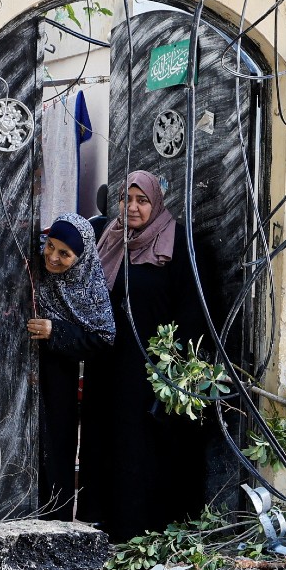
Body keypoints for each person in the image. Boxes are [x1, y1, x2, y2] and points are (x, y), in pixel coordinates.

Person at [82, 170, 218, 542]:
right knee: (104, 438)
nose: (133, 208)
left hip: (151, 368)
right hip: (107, 362)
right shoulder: (106, 239)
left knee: (141, 444)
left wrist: (173, 366)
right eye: (127, 199)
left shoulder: (178, 245)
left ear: (156, 203)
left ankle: (141, 529)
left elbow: (194, 309)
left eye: (142, 200)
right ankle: (103, 525)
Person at [26, 215, 114, 520]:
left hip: (57, 379)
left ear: (81, 257)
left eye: (64, 253)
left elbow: (103, 338)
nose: (52, 257)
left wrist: (57, 331)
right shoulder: (30, 265)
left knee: (55, 448)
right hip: (18, 374)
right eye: (50, 246)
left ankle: (53, 522)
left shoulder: (89, 285)